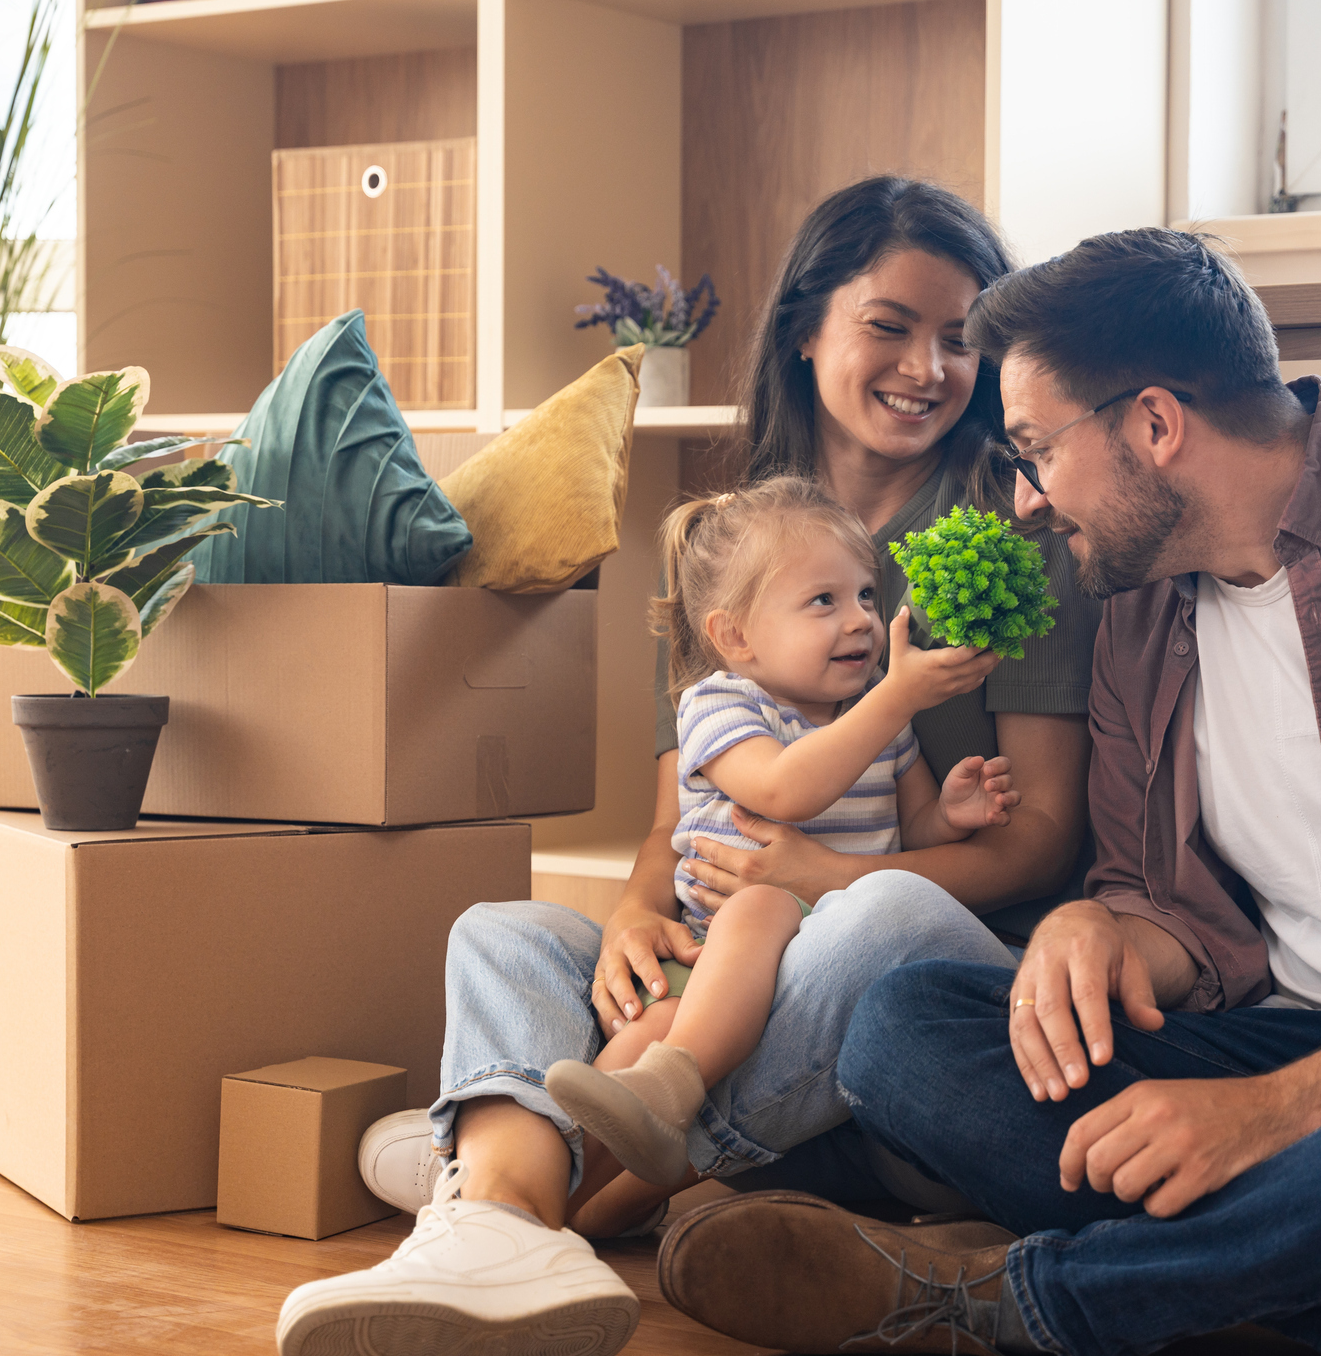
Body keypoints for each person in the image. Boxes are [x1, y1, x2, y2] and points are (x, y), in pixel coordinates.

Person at [653, 228, 1321, 1356]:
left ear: (1156, 425)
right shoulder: (1138, 605)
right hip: (1287, 1043)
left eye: (1035, 451)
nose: (1026, 502)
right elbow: (1169, 907)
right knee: (908, 1030)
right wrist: (1100, 924)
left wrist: (1271, 1116)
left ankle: (1021, 1304)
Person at [275, 177, 1102, 1356]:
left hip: (920, 973)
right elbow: (682, 817)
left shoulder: (1013, 544)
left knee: (872, 913)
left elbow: (1042, 842)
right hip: (739, 961)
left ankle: (524, 1178)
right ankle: (505, 1222)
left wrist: (817, 870)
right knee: (503, 934)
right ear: (806, 328)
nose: (929, 365)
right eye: (890, 326)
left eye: (960, 338)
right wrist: (627, 913)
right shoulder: (727, 544)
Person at [544, 477, 1021, 1185]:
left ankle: (621, 1168)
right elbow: (783, 789)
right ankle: (564, 1178)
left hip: (831, 966)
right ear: (734, 636)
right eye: (822, 601)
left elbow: (908, 837)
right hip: (714, 954)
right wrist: (898, 695)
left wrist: (949, 814)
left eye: (865, 594)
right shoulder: (719, 705)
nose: (859, 619)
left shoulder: (877, 722)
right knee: (650, 1030)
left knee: (763, 921)